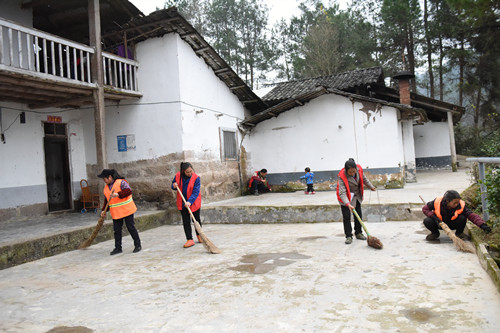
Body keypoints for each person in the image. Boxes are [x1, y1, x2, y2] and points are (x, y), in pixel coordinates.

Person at [98, 169, 142, 255]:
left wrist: (118, 194)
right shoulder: (106, 188)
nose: (104, 181)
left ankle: (138, 245)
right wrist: (104, 210)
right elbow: (106, 201)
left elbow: (128, 191)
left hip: (127, 210)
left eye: (104, 179)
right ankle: (118, 248)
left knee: (131, 227)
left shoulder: (121, 182)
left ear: (110, 177)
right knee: (117, 230)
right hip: (116, 212)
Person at [422, 190, 492, 241]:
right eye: (454, 203)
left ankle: (459, 233)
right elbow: (425, 209)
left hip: (452, 224)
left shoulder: (461, 205)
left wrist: (482, 225)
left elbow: (472, 215)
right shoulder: (437, 202)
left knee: (462, 218)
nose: (456, 204)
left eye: (457, 202)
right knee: (427, 220)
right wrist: (434, 217)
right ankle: (435, 233)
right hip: (440, 224)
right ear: (447, 201)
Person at [336, 158, 376, 244]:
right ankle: (349, 236)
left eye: (354, 171)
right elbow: (342, 192)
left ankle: (358, 233)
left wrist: (371, 186)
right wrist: (347, 204)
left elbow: (364, 179)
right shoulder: (341, 176)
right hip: (345, 197)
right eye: (350, 172)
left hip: (356, 195)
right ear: (346, 170)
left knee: (358, 214)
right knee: (347, 217)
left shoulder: (359, 170)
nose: (352, 173)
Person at [172, 162, 203, 248]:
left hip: (193, 202)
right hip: (182, 203)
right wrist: (174, 185)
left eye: (191, 171)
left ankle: (200, 235)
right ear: (183, 172)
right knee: (186, 221)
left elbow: (196, 192)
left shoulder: (196, 178)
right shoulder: (178, 176)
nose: (190, 173)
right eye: (187, 172)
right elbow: (173, 184)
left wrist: (189, 201)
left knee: (196, 220)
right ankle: (189, 239)